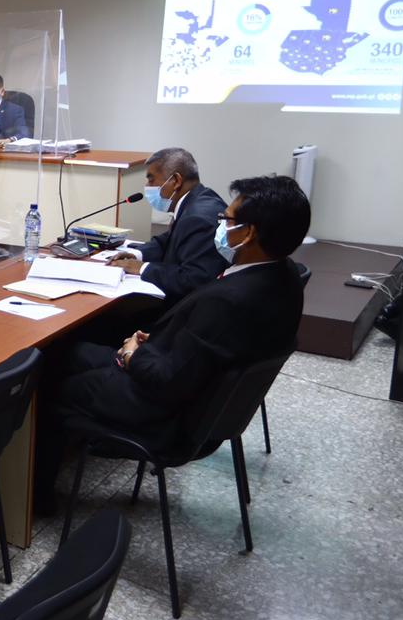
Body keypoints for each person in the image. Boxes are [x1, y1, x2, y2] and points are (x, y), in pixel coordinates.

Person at [34, 175, 310, 512]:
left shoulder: (230, 300)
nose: (219, 226)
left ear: (249, 233)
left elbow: (167, 381)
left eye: (227, 220)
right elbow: (208, 345)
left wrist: (134, 354)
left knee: (47, 383)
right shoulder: (285, 277)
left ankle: (36, 498)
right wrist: (163, 339)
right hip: (200, 396)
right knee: (68, 352)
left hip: (166, 413)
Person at [107, 147, 228, 306]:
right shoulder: (200, 198)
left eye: (151, 180)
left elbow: (193, 280)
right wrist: (137, 255)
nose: (147, 186)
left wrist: (143, 268)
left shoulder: (197, 218)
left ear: (176, 181)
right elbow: (170, 240)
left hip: (188, 311)